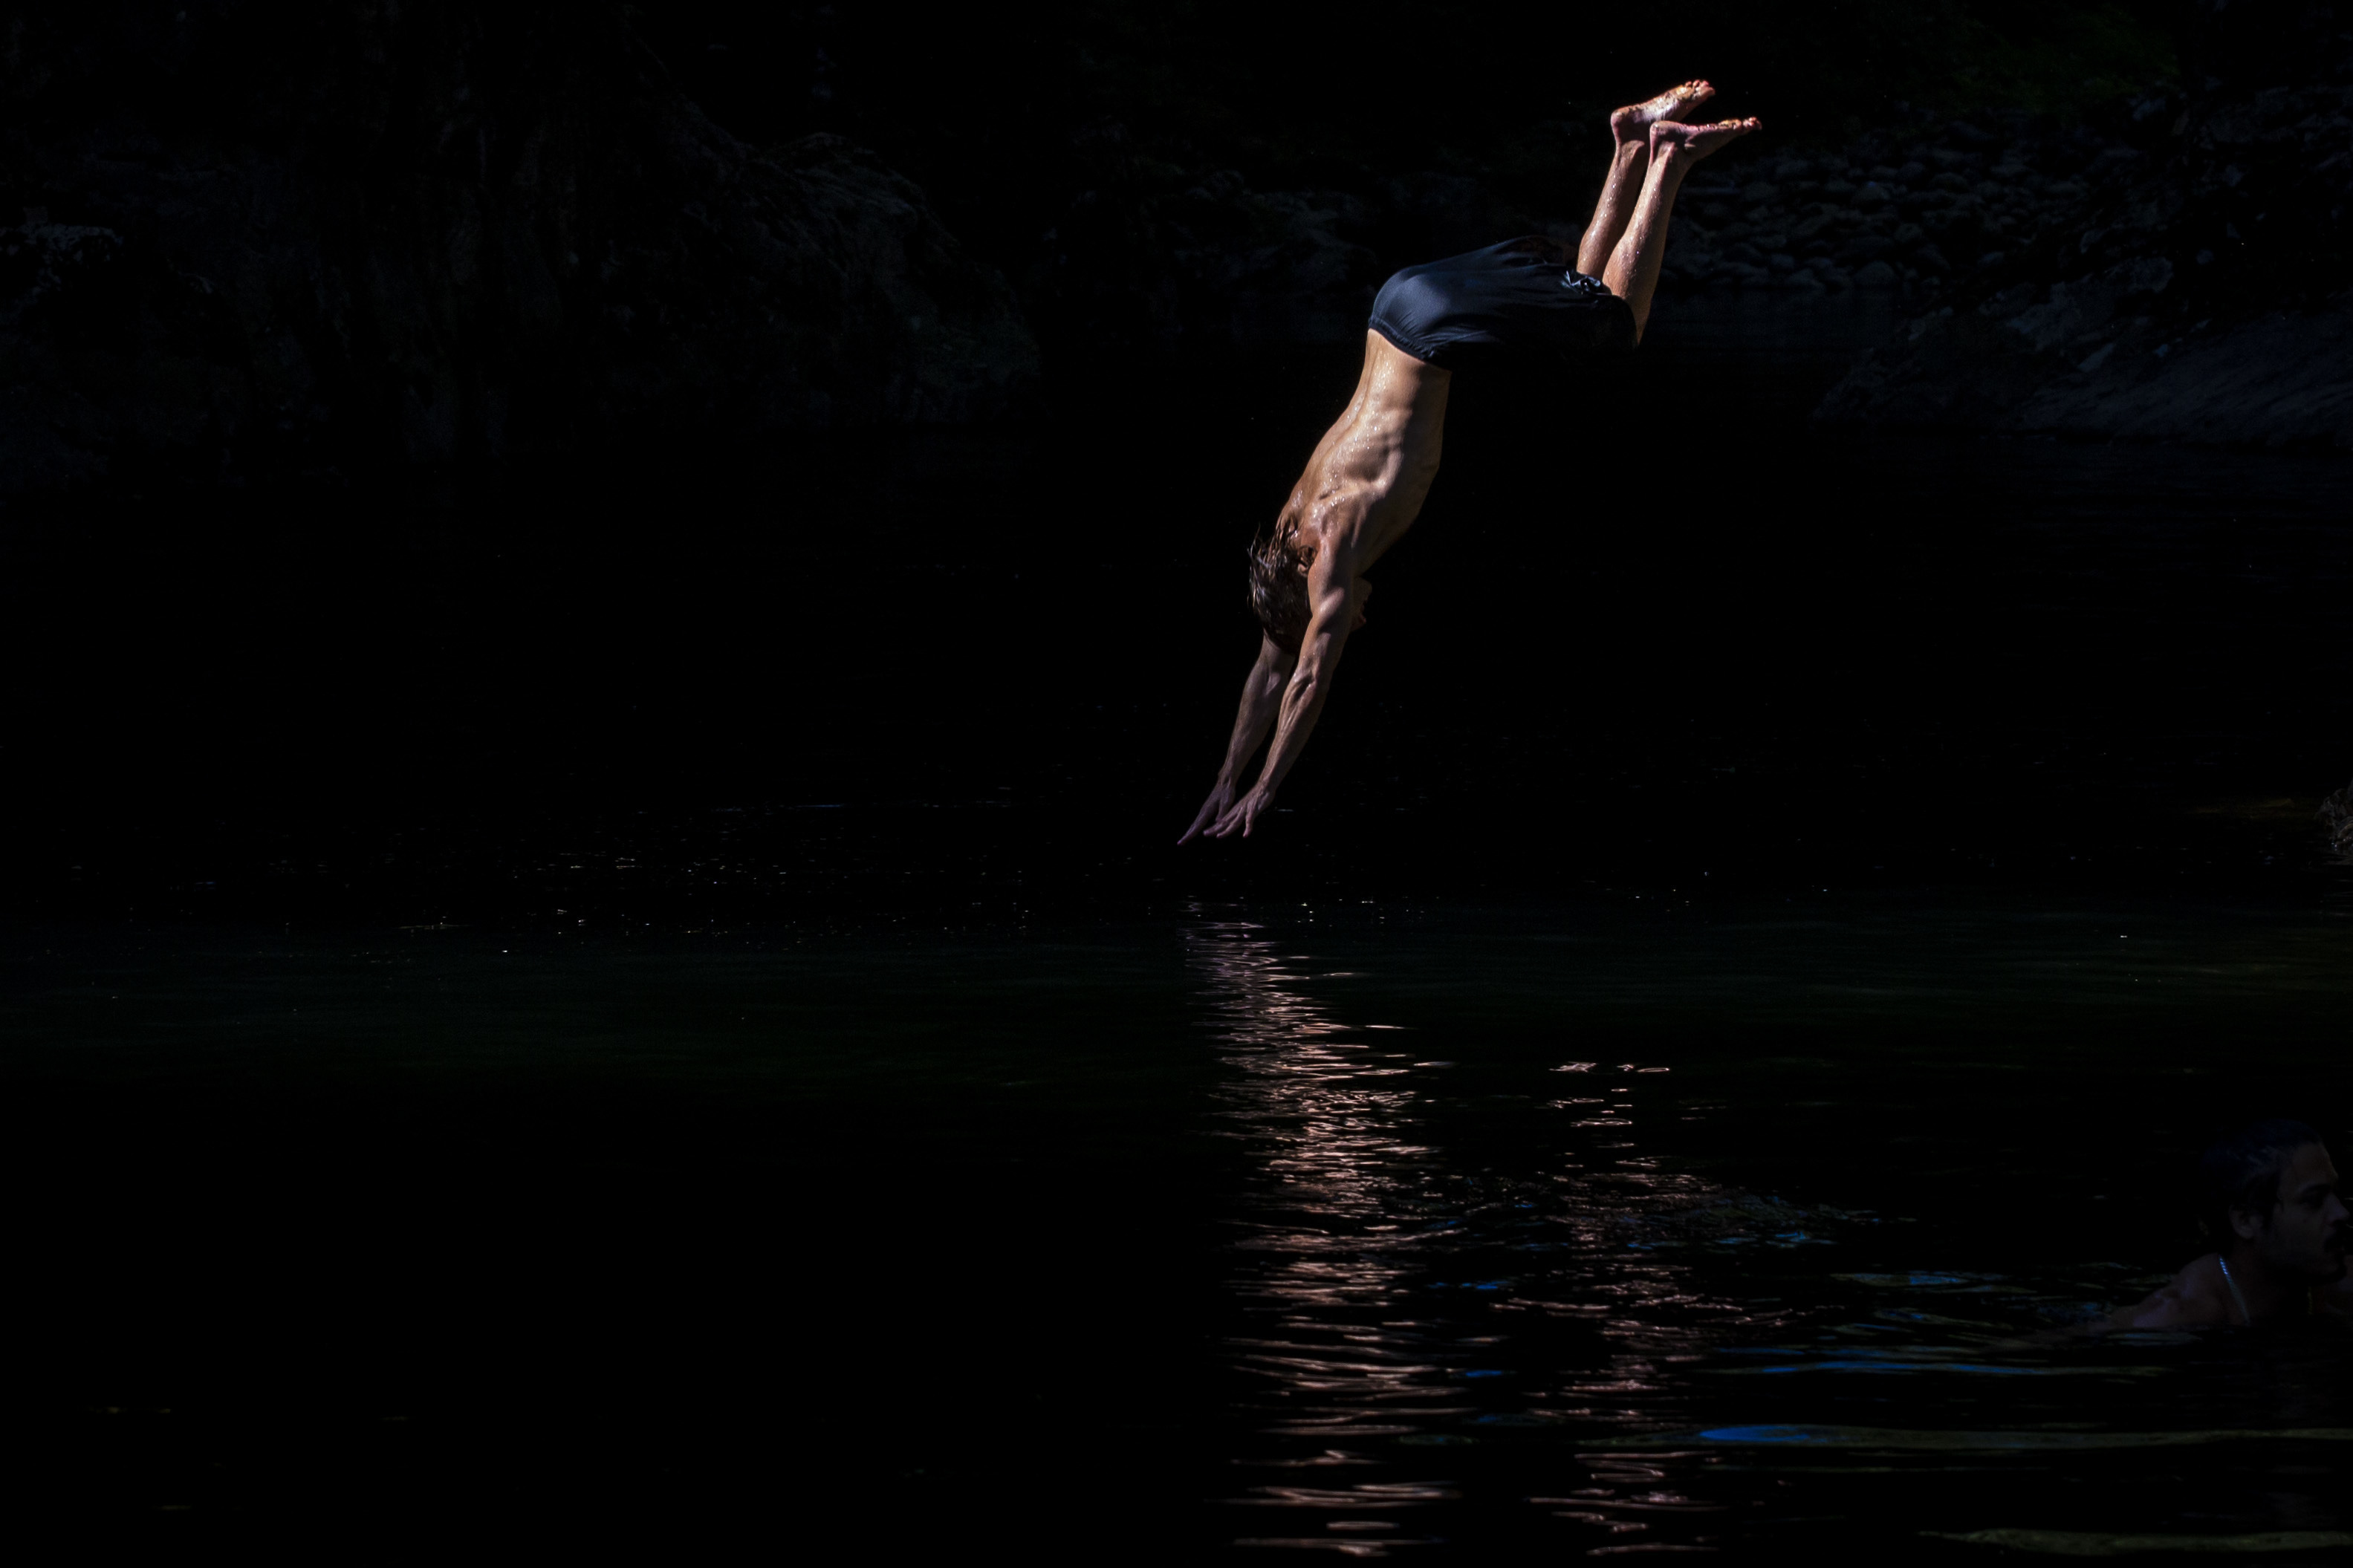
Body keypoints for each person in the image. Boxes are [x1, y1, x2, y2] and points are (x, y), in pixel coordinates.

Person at [1180, 82, 1760, 843]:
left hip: (1432, 332)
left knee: (1618, 326)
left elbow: (1307, 677)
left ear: (1320, 601)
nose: (1360, 618)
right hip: (1397, 307)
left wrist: (1264, 789)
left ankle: (1667, 161)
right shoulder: (1291, 538)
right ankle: (1627, 141)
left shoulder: (1332, 550)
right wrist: (1223, 777)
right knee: (1580, 312)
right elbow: (1268, 672)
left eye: (1345, 622)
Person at [2109, 1119, 2352, 1330]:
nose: (2342, 1213)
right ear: (2245, 1221)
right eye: (2314, 1201)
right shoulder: (2179, 1314)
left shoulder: (2337, 1282)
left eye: (2336, 1195)